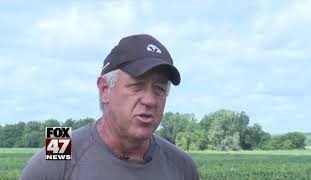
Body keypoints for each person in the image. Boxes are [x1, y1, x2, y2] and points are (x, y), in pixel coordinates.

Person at [20, 34, 199, 180]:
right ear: (105, 89)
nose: (150, 100)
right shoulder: (59, 147)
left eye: (159, 89)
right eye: (136, 86)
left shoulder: (182, 165)